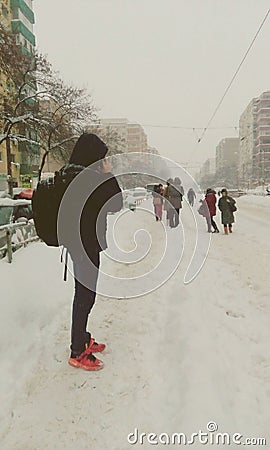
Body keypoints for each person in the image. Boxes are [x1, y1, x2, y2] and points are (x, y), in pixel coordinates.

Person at [61, 133, 123, 371]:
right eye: (101, 157)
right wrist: (108, 174)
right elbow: (116, 203)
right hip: (85, 246)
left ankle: (82, 337)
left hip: (78, 245)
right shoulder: (88, 179)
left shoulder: (71, 174)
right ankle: (77, 351)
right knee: (85, 296)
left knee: (84, 294)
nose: (103, 161)